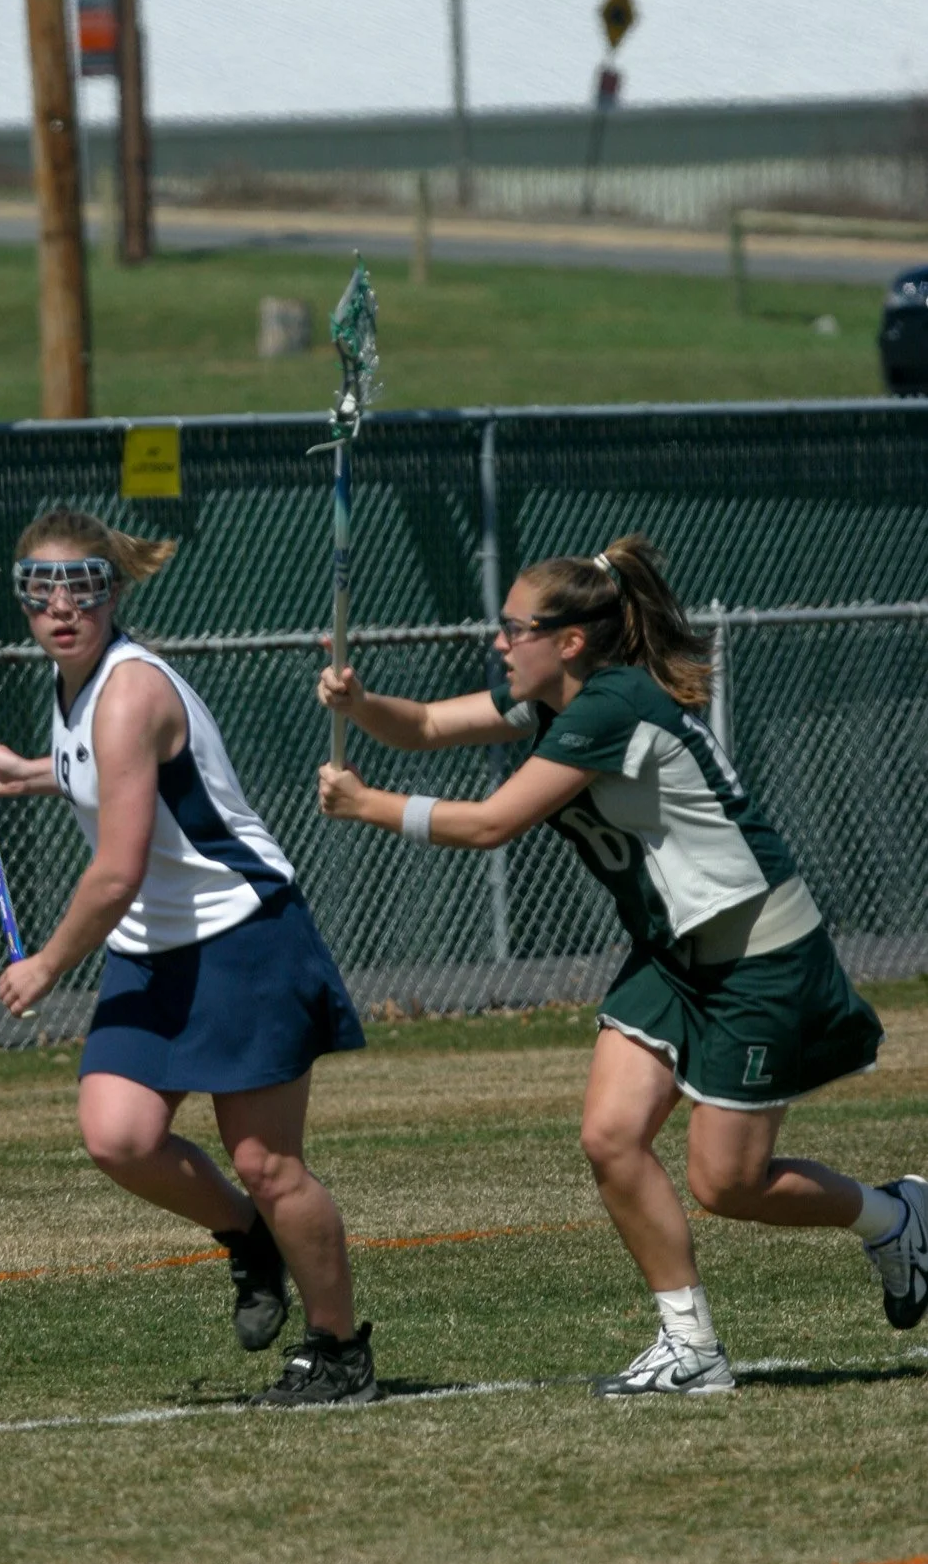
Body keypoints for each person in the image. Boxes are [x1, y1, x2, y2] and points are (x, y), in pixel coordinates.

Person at [315, 532, 925, 1396]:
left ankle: (894, 1215)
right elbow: (418, 727)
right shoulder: (554, 701)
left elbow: (492, 824)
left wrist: (366, 805)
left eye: (513, 629)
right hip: (672, 955)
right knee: (608, 1138)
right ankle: (691, 1348)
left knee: (728, 1182)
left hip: (758, 957)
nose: (500, 642)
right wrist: (361, 699)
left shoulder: (610, 708)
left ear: (568, 641)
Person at [0, 508, 375, 1407]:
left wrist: (47, 966)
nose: (61, 607)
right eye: (40, 591)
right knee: (119, 1136)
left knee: (269, 1162)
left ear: (113, 592)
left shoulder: (130, 691)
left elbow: (115, 872)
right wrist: (22, 772)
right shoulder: (72, 686)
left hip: (242, 936)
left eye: (83, 588)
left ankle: (338, 1349)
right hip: (155, 948)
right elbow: (98, 773)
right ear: (21, 602)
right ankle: (248, 1240)